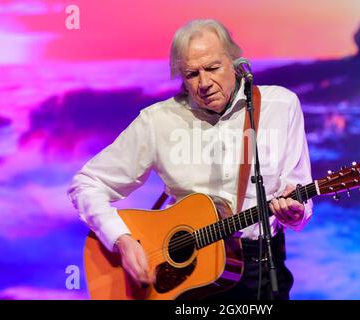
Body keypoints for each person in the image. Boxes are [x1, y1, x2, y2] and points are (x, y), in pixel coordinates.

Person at [68, 19, 313, 300]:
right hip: (183, 279)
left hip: (261, 266)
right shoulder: (157, 121)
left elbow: (299, 198)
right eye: (192, 74)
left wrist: (295, 212)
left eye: (212, 68)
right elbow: (86, 184)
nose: (205, 83)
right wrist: (121, 240)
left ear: (234, 62)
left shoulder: (280, 106)